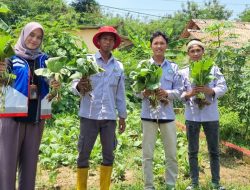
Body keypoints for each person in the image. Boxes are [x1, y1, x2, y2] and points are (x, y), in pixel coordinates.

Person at [0, 22, 60, 190]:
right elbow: (1, 84)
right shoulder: (9, 57)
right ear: (23, 35)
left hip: (36, 118)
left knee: (30, 166)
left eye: (39, 37)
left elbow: (51, 83)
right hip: (12, 119)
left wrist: (55, 83)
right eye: (31, 35)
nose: (35, 40)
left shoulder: (45, 60)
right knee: (6, 166)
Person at [71, 26, 127, 190]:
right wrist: (79, 86)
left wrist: (122, 116)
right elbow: (73, 84)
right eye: (105, 39)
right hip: (89, 115)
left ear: (114, 43)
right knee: (83, 154)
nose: (108, 42)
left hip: (109, 118)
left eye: (111, 39)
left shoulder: (119, 67)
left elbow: (120, 94)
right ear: (99, 41)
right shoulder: (87, 61)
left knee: (109, 155)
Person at [180, 39, 227, 190]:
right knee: (192, 151)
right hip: (192, 116)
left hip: (211, 116)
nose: (195, 53)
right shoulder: (183, 72)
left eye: (198, 50)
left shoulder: (213, 69)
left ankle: (216, 183)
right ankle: (194, 183)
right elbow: (179, 93)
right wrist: (189, 94)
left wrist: (210, 91)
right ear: (188, 54)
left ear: (203, 52)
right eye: (192, 51)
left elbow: (223, 86)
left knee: (214, 151)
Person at [140, 31, 182, 190]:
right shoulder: (143, 65)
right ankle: (148, 186)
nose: (159, 46)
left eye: (162, 43)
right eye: (156, 43)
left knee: (171, 154)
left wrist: (167, 94)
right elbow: (136, 90)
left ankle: (170, 185)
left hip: (168, 115)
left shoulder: (173, 67)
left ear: (166, 46)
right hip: (148, 115)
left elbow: (180, 90)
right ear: (151, 45)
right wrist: (144, 93)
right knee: (147, 155)